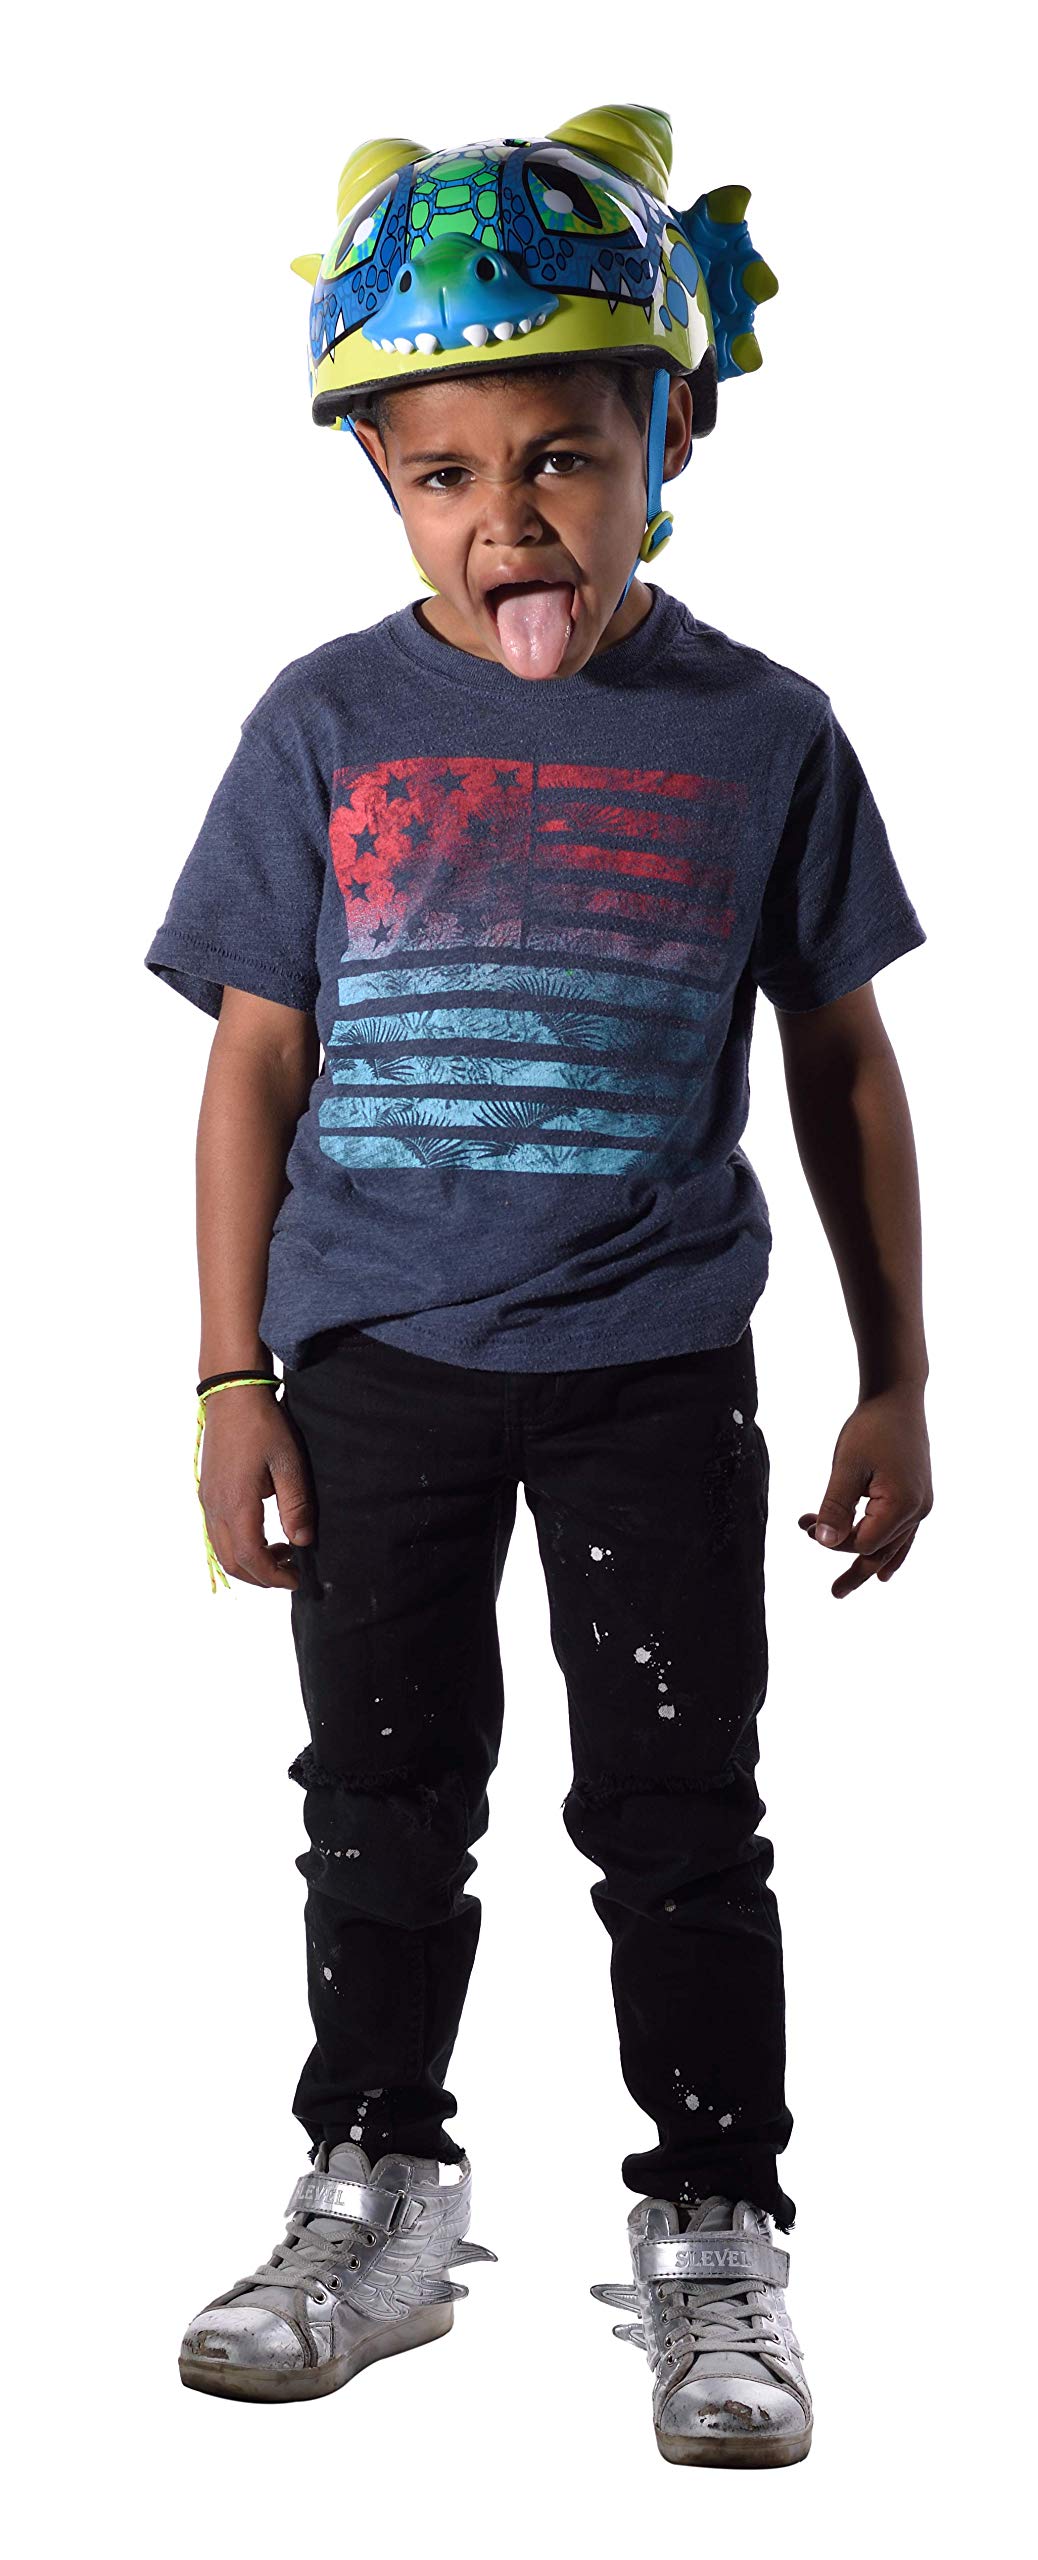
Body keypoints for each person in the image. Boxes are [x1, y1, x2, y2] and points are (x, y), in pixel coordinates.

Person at [145, 105, 931, 2464]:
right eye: (446, 474)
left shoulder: (763, 734)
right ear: (380, 482)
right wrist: (230, 1375)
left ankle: (717, 2229)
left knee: (680, 1804)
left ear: (672, 437)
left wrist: (898, 1375)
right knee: (382, 1795)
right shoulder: (323, 722)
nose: (509, 519)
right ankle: (375, 2183)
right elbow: (252, 1062)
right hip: (376, 1358)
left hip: (651, 1359)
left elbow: (846, 1059)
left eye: (566, 457)